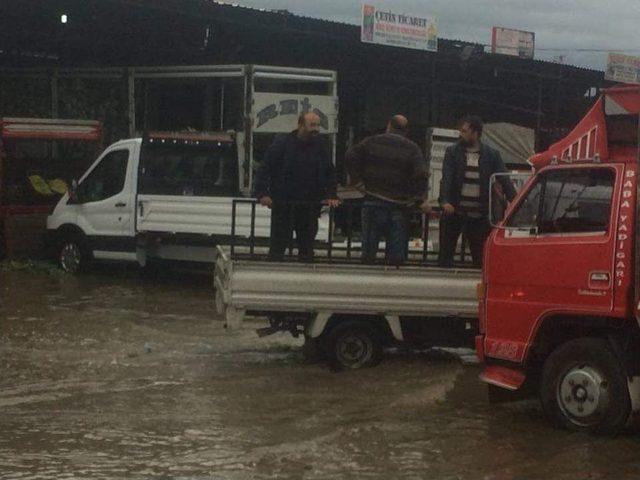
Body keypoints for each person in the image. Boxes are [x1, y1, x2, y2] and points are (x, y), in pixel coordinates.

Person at [254, 112, 339, 262]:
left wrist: (332, 194)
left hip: (309, 206)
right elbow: (265, 168)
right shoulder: (282, 144)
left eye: (318, 125)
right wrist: (262, 194)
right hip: (283, 204)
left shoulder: (320, 146)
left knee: (307, 248)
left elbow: (329, 172)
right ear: (300, 125)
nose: (316, 129)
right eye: (312, 125)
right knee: (277, 247)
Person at [345, 115, 430, 265]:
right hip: (399, 205)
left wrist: (357, 180)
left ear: (389, 126)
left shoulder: (371, 142)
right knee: (396, 256)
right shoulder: (412, 148)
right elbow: (421, 174)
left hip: (372, 200)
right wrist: (417, 198)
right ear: (406, 131)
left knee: (369, 252)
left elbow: (350, 156)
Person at [438, 115, 517, 268]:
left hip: (479, 215)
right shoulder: (452, 152)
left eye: (464, 131)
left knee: (480, 259)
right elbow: (446, 178)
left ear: (475, 133)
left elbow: (504, 179)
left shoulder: (492, 155)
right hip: (455, 212)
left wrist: (515, 201)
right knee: (445, 255)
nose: (461, 134)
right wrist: (445, 201)